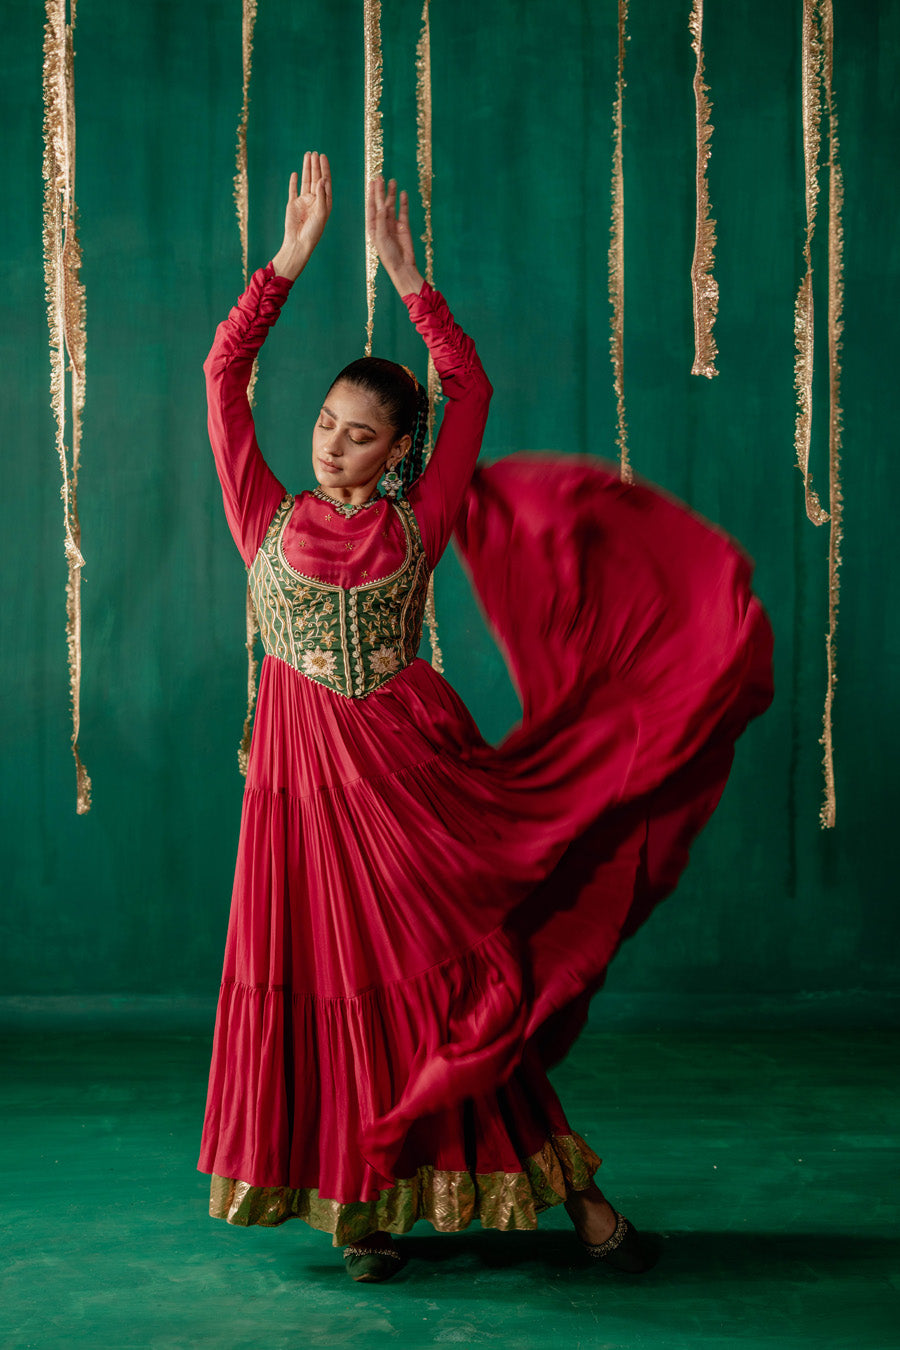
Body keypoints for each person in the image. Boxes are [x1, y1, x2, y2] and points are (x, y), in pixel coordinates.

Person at [199, 150, 774, 1283]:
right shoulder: (263, 512)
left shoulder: (421, 517)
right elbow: (224, 372)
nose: (330, 443)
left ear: (400, 450)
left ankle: (589, 1210)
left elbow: (473, 388)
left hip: (415, 788)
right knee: (332, 993)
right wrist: (291, 260)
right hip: (300, 801)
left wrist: (413, 281)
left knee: (457, 995)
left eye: (360, 433)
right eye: (325, 423)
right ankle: (360, 1209)